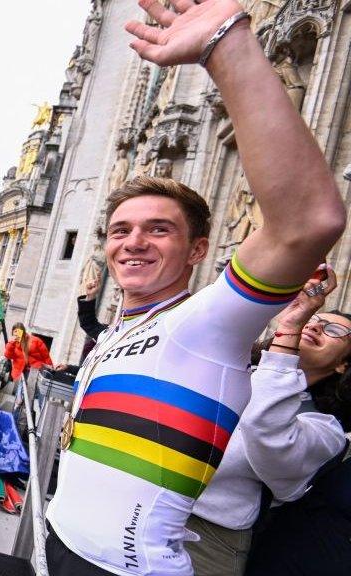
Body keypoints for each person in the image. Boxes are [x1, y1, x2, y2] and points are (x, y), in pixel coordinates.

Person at [47, 1, 346, 575]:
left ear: (199, 250)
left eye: (159, 230)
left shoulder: (207, 322)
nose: (132, 243)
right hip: (65, 547)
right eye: (120, 231)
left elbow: (306, 221)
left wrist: (227, 47)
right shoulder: (124, 326)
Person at [184, 267, 349, 574]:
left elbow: (263, 424)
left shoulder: (327, 431)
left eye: (335, 331)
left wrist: (291, 326)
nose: (316, 327)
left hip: (205, 539)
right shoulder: (234, 368)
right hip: (142, 502)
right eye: (315, 320)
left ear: (343, 365)